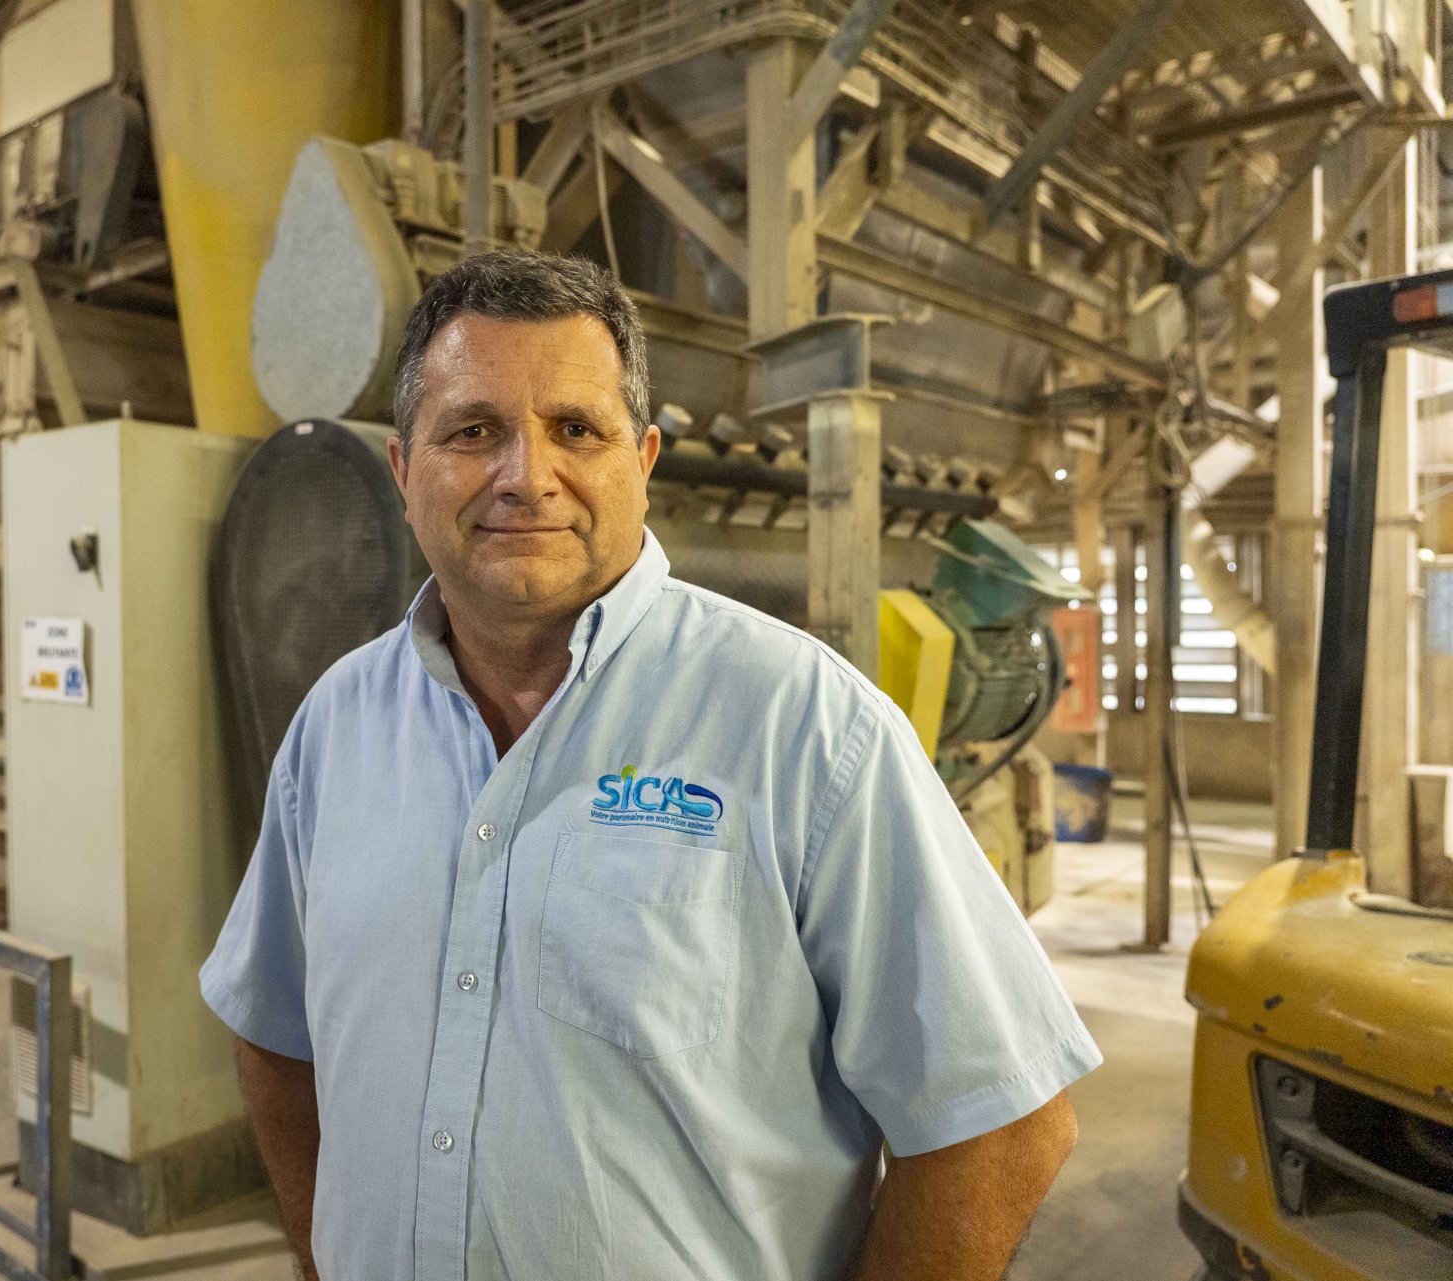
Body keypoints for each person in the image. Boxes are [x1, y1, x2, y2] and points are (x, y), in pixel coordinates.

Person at [200, 249, 1101, 1280]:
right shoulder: (337, 725)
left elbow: (1002, 1126)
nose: (525, 476)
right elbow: (272, 1029)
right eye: (474, 431)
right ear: (405, 473)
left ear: (644, 460)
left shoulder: (807, 728)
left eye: (575, 430)